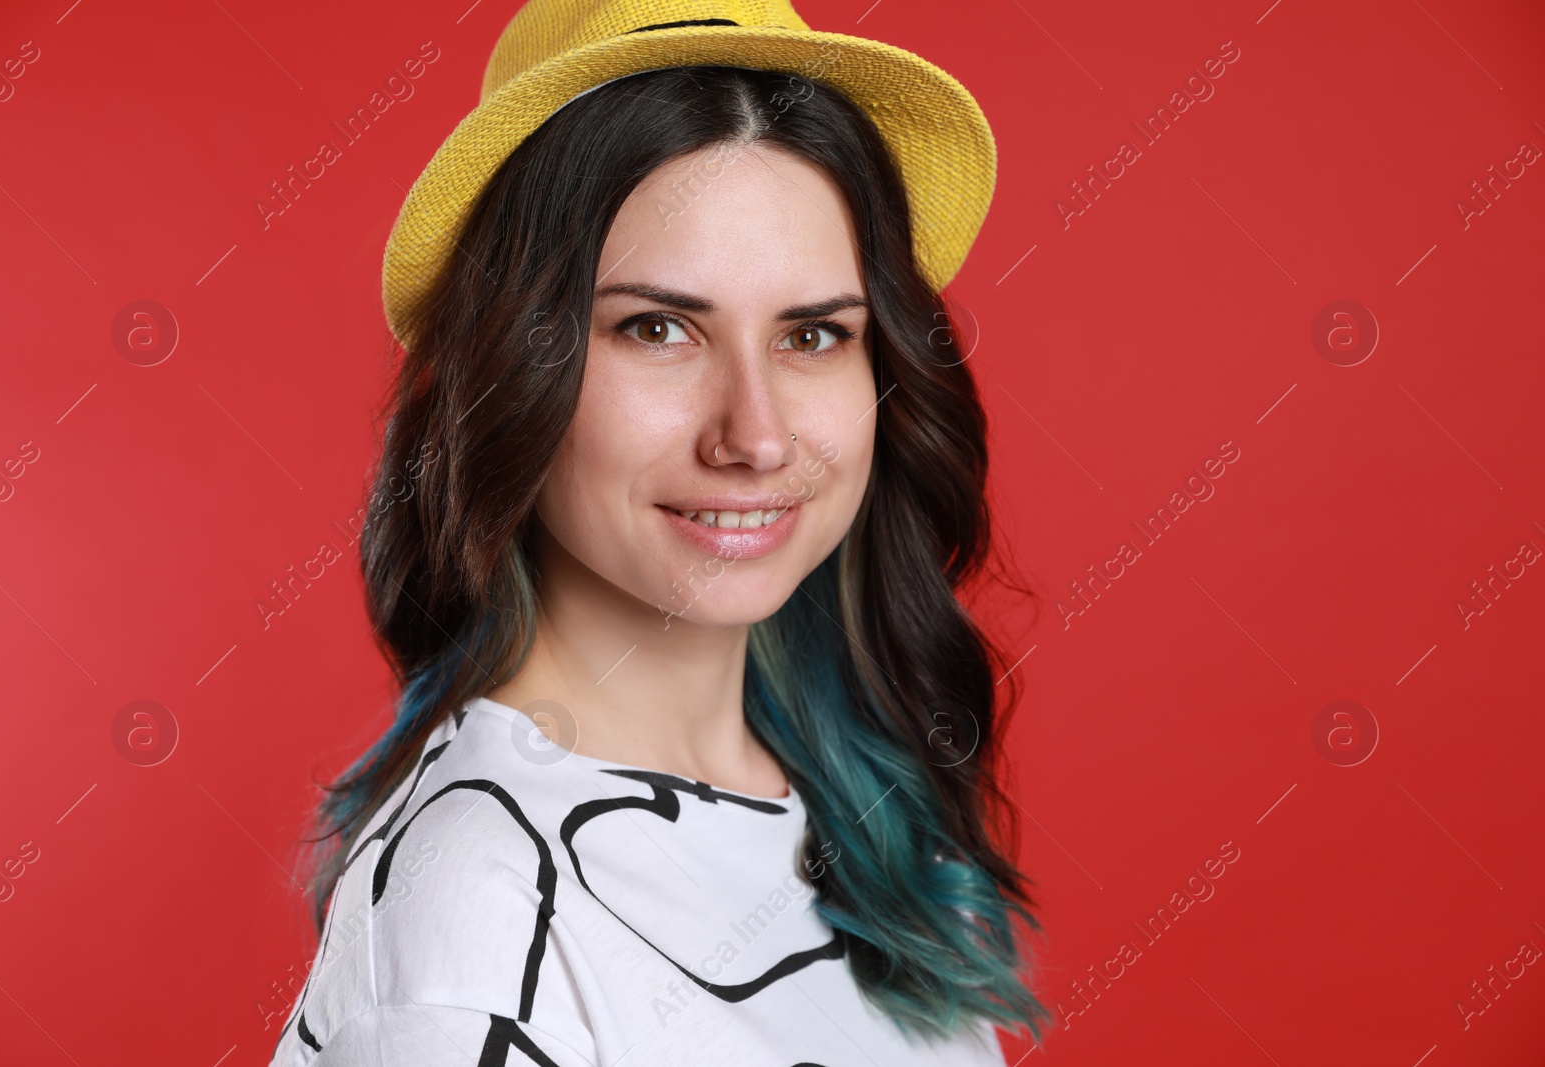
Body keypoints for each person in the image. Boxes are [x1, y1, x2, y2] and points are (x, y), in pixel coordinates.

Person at [270, 1, 1049, 1063]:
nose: (756, 435)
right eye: (658, 327)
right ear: (512, 370)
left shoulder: (861, 813)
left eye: (814, 334)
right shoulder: (482, 913)